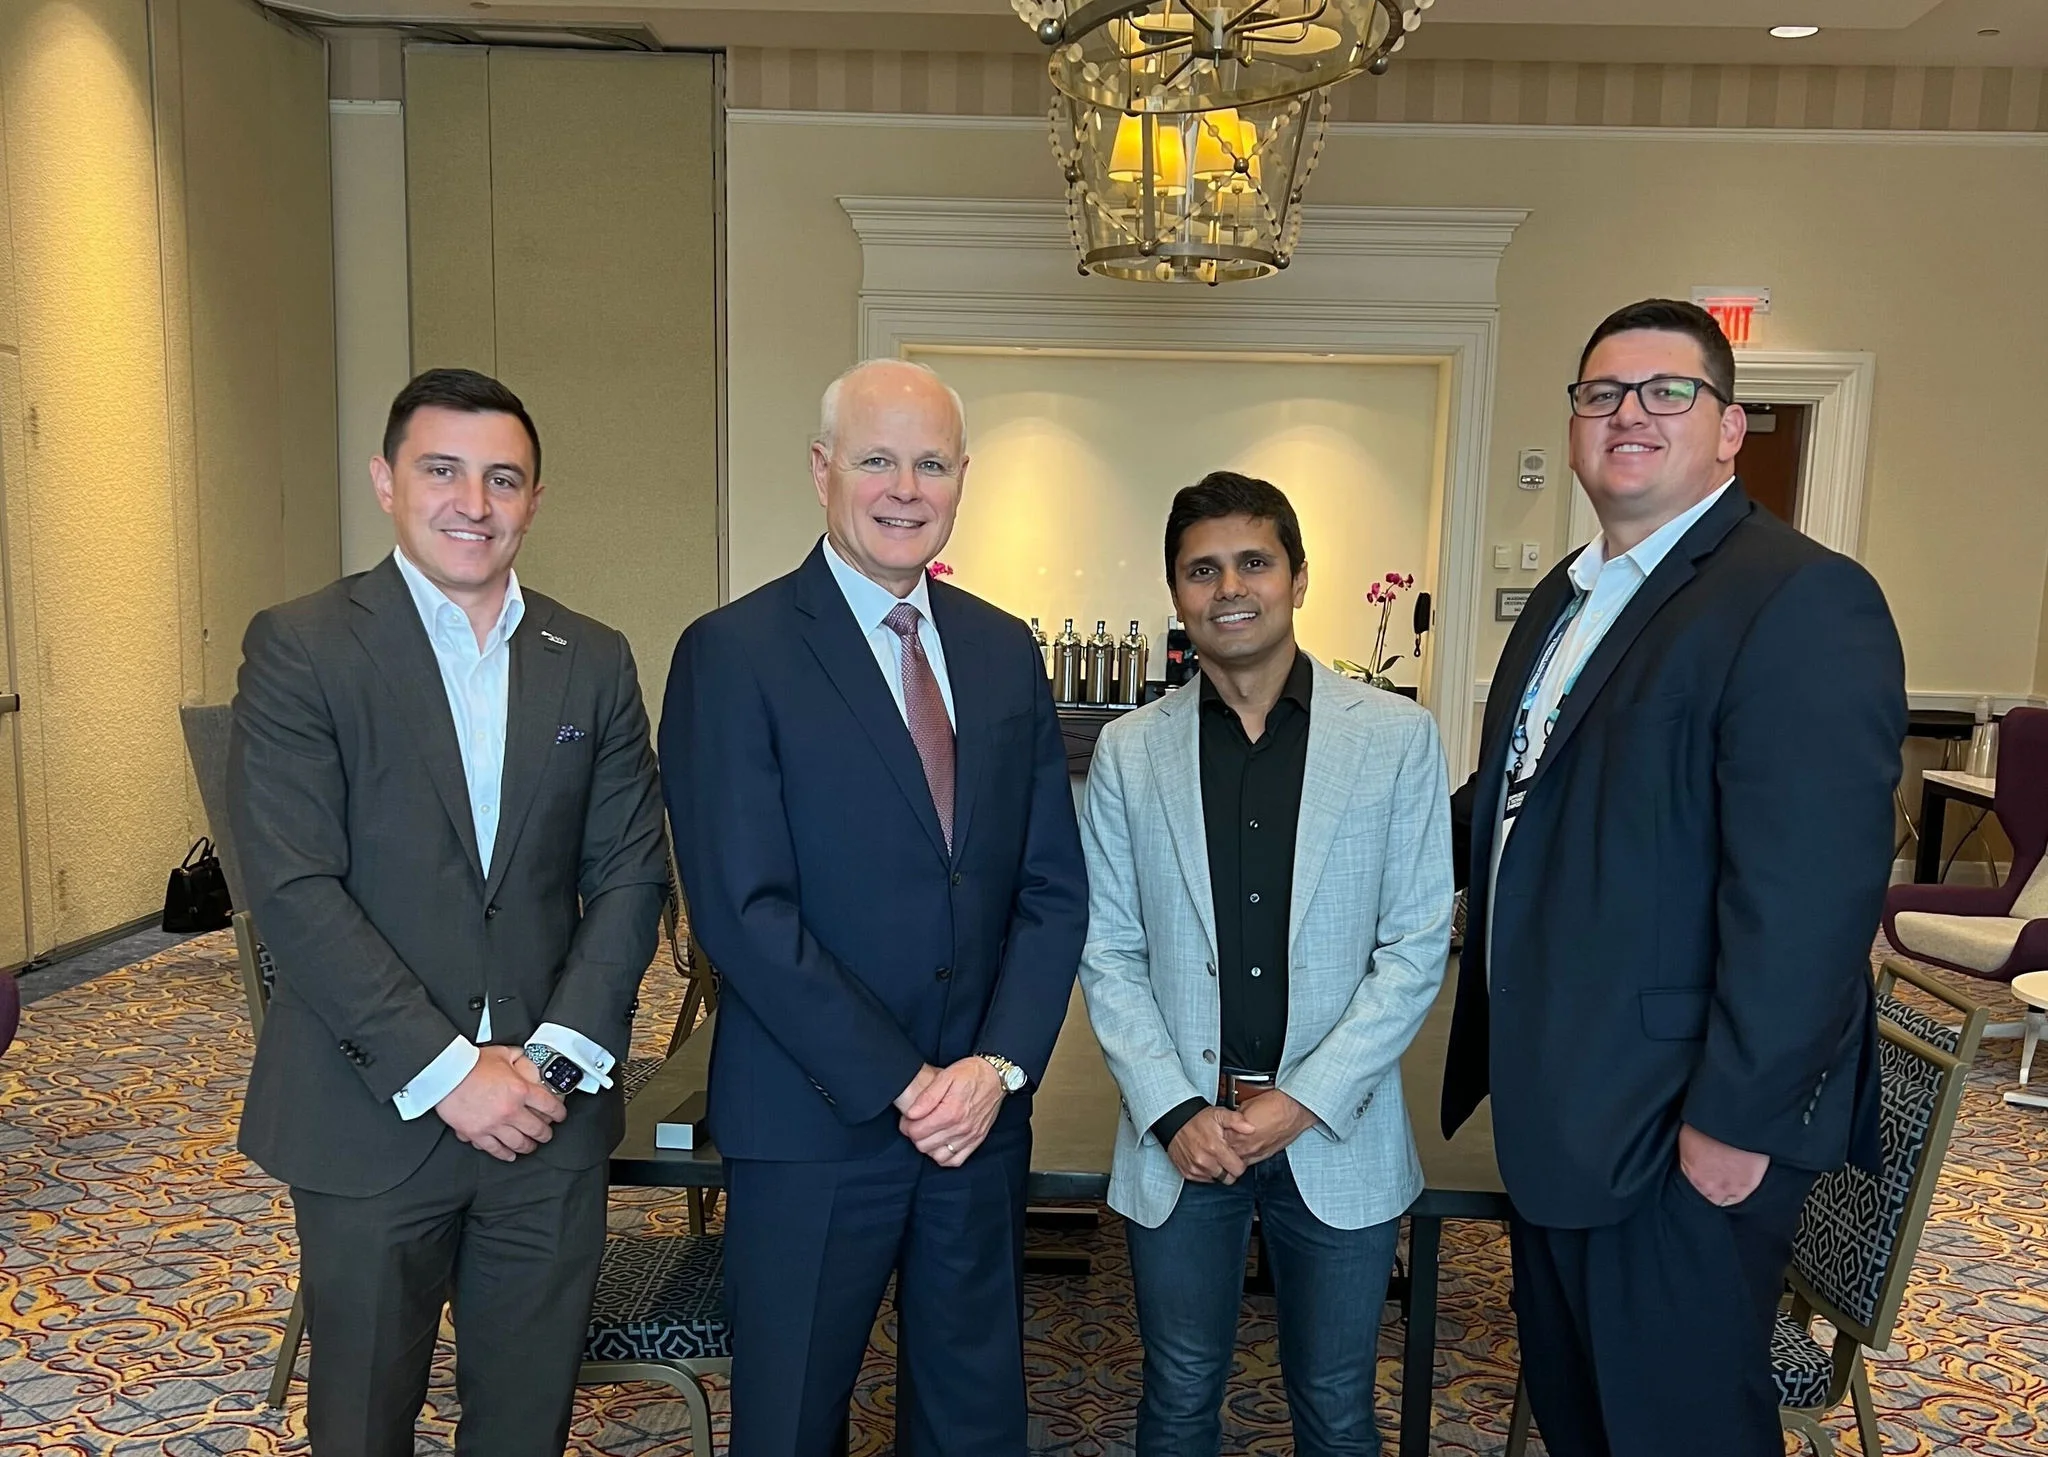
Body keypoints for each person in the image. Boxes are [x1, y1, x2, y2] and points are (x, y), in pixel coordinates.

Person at [1444, 300, 1906, 1456]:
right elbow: (1512, 799)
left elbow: (1808, 895)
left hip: (1682, 1122)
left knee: (1674, 1426)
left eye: (1666, 391)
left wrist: (1734, 1120)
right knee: (1585, 1414)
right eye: (1600, 394)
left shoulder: (1798, 597)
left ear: (1728, 426)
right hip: (1564, 1103)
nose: (1628, 414)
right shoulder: (1566, 596)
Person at [229, 368, 669, 1456]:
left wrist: (549, 1062)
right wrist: (449, 1073)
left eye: (502, 478)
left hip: (546, 1115)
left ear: (534, 499)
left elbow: (630, 872)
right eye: (442, 470)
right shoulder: (302, 645)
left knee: (525, 1423)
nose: (473, 502)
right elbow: (293, 888)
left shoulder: (592, 657)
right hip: (367, 1110)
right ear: (386, 481)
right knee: (362, 1423)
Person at [661, 358, 1088, 1457]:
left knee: (971, 1422)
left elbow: (1050, 886)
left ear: (962, 478)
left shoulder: (1001, 648)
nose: (906, 488)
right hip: (813, 1123)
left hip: (977, 1123)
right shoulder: (733, 652)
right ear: (822, 470)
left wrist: (992, 1069)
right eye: (877, 460)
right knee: (792, 1422)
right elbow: (743, 911)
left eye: (931, 463)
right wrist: (905, 1081)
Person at [1079, 472, 1451, 1457]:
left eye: (1253, 561)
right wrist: (1172, 1110)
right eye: (1201, 569)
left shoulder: (1395, 739)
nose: (1229, 587)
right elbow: (1108, 948)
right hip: (1182, 1135)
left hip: (1336, 1129)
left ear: (1297, 576)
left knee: (1335, 1403)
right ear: (1175, 592)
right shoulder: (1128, 753)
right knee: (1176, 1394)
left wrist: (1302, 1101)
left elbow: (1414, 945)